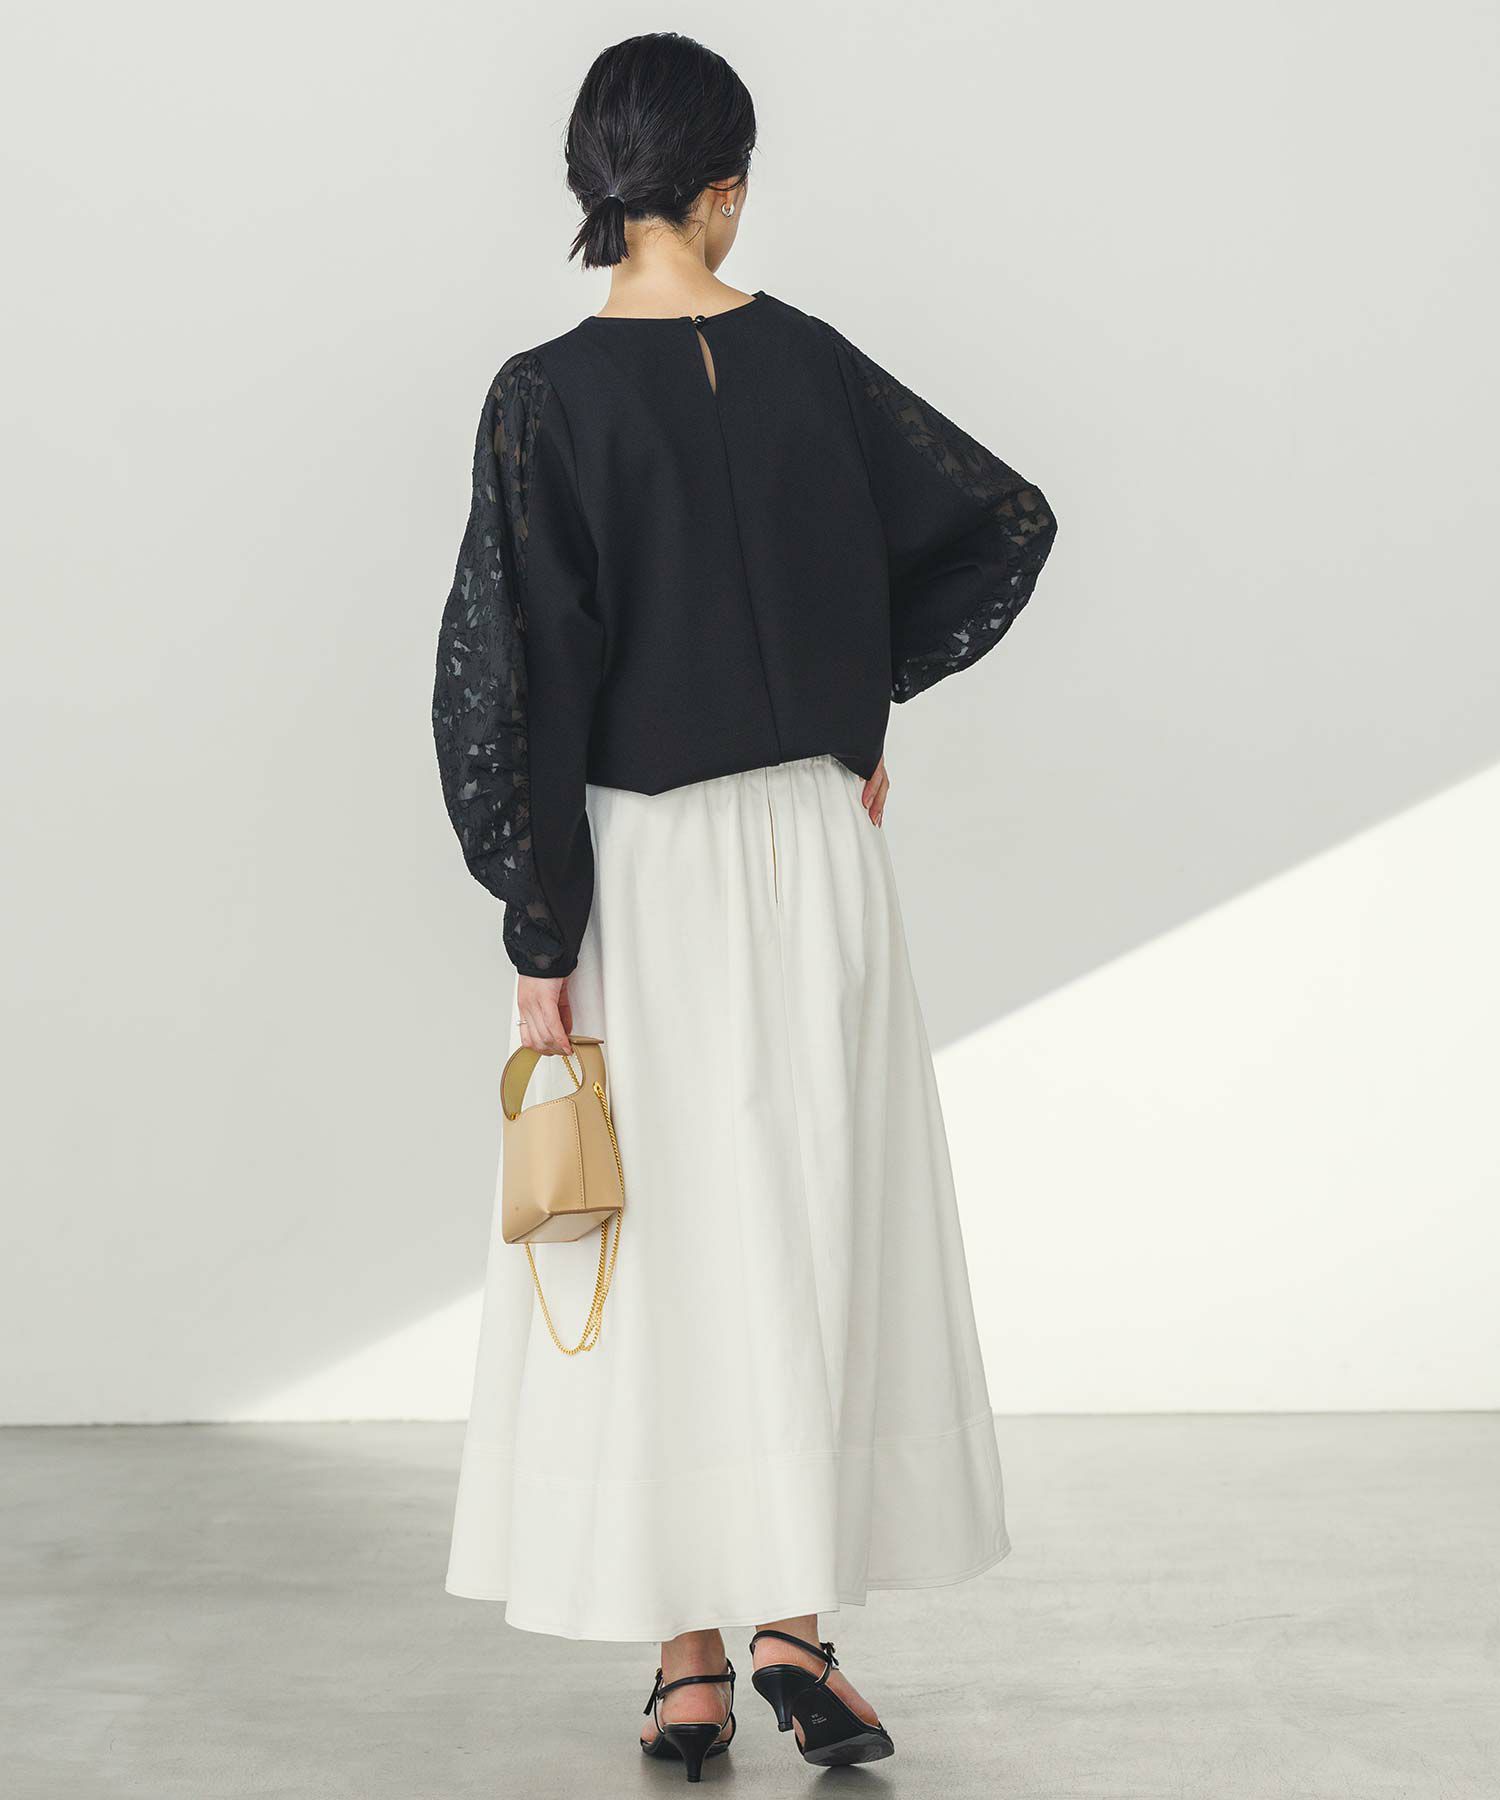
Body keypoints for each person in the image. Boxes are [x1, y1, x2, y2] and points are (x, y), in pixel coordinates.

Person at [432, 30, 1057, 1780]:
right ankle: (796, 1626)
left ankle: (692, 1669)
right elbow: (1002, 524)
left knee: (661, 1249)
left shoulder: (546, 397)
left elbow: (518, 680)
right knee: (812, 1222)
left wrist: (539, 927)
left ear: (596, 182)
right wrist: (854, 710)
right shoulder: (810, 362)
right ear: (728, 184)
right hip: (817, 849)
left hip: (644, 868)